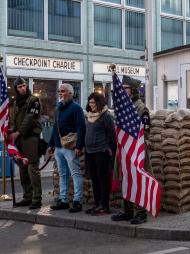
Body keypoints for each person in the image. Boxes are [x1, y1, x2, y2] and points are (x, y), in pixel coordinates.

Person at [111, 75, 151, 224]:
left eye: (125, 88)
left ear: (133, 90)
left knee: (138, 180)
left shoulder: (141, 108)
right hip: (123, 149)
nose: (122, 91)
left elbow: (146, 130)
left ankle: (141, 213)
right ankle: (127, 211)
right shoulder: (122, 108)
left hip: (136, 149)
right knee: (125, 179)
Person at [48, 83, 85, 212]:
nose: (60, 93)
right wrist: (51, 144)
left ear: (70, 93)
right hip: (58, 147)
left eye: (63, 91)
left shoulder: (76, 108)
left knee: (75, 173)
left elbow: (81, 128)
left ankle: (77, 201)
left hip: (70, 147)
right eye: (59, 91)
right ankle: (63, 200)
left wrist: (79, 146)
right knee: (63, 174)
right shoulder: (58, 108)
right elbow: (55, 127)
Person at [9, 77, 42, 209]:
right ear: (16, 89)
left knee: (32, 168)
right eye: (20, 87)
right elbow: (14, 120)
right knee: (22, 169)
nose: (23, 88)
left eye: (24, 86)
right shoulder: (16, 102)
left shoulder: (34, 100)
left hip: (31, 138)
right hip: (20, 139)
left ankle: (37, 198)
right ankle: (27, 197)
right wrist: (10, 131)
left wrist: (18, 132)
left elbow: (30, 118)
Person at [85, 92, 116, 215]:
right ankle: (97, 203)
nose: (91, 105)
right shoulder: (89, 116)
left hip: (101, 152)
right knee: (94, 179)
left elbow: (111, 134)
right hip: (90, 152)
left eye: (94, 103)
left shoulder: (106, 116)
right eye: (90, 102)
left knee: (103, 180)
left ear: (99, 103)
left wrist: (109, 149)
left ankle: (105, 206)